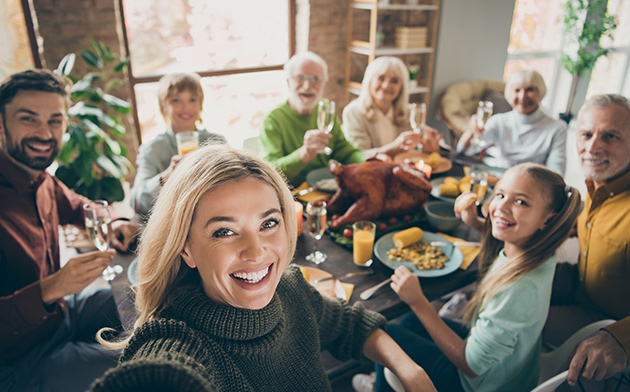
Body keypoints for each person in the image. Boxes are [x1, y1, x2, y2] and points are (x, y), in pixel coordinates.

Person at [89, 144, 436, 392]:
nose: (256, 252)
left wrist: (410, 370)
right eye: (224, 231)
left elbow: (350, 326)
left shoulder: (290, 289)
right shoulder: (178, 342)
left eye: (268, 223)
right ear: (186, 249)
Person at [355, 162, 581, 392]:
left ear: (548, 220)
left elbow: (471, 365)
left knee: (386, 335)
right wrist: (476, 222)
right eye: (500, 194)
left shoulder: (519, 288)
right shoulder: (540, 250)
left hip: (477, 384)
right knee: (409, 322)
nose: (501, 207)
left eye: (521, 201)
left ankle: (380, 386)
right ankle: (386, 381)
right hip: (511, 371)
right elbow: (511, 236)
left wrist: (418, 301)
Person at [0, 69, 138, 392]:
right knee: (142, 366)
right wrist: (50, 289)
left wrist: (114, 223)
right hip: (20, 360)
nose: (45, 133)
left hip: (62, 315)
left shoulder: (40, 177)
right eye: (29, 119)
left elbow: (77, 206)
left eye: (55, 120)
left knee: (145, 300)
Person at [543, 94, 630, 387]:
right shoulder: (598, 186)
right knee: (500, 292)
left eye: (610, 136)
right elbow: (584, 228)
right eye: (586, 134)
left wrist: (621, 339)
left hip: (609, 320)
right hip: (579, 288)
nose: (592, 147)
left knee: (517, 324)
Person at [260, 52, 365, 187]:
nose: (307, 86)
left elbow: (344, 151)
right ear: (288, 82)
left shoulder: (325, 110)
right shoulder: (273, 120)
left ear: (324, 84)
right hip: (292, 196)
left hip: (325, 187)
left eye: (315, 79)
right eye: (300, 78)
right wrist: (303, 154)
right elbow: (269, 173)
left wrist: (368, 162)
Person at [129, 72, 226, 217]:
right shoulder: (153, 149)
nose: (185, 107)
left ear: (200, 105)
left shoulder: (216, 142)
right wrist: (165, 178)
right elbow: (137, 203)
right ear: (164, 107)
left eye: (192, 99)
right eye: (176, 100)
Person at [456, 69, 567, 176]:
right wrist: (472, 131)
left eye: (529, 90)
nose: (522, 96)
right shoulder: (499, 121)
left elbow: (557, 173)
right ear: (509, 93)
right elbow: (465, 151)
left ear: (541, 92)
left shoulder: (557, 128)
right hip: (499, 179)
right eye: (517, 90)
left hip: (533, 184)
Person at [343, 56, 442, 157]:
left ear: (401, 87)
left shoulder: (408, 112)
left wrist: (431, 148)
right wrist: (394, 147)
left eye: (394, 81)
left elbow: (433, 141)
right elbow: (359, 155)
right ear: (369, 81)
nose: (386, 85)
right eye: (381, 78)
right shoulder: (353, 112)